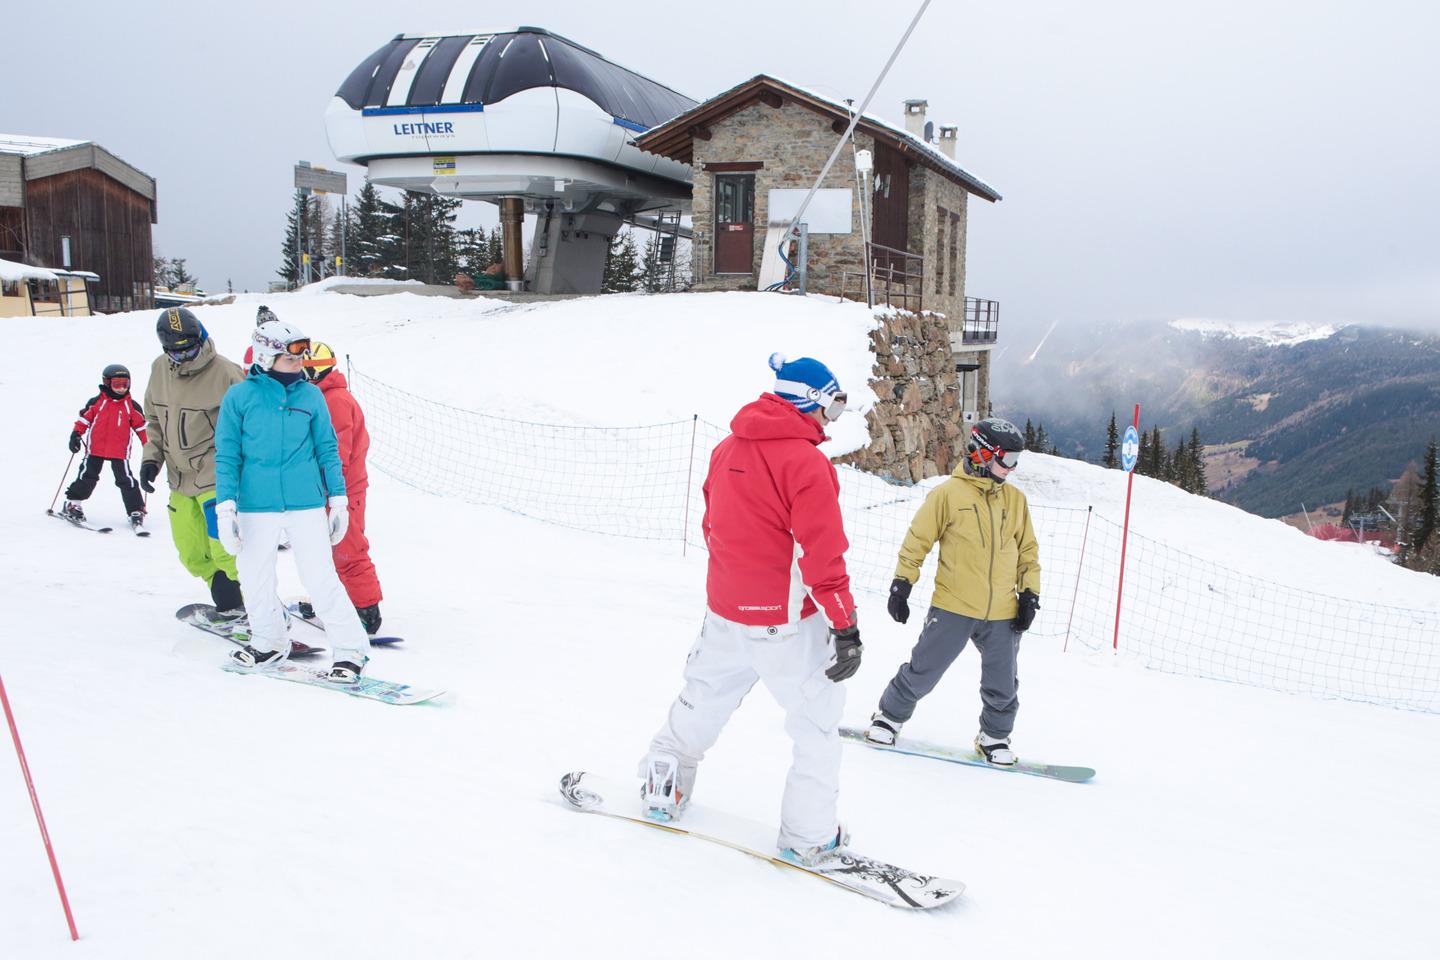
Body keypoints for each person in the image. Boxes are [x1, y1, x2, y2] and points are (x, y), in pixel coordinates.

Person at [639, 353, 862, 866]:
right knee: (816, 726)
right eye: (833, 409)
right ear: (810, 401)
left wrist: (734, 585)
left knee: (702, 699)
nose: (831, 422)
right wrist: (844, 625)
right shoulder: (807, 464)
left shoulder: (727, 447)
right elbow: (822, 554)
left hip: (724, 612)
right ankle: (809, 836)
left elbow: (711, 525)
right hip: (782, 623)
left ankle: (664, 783)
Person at [865, 417, 1041, 766]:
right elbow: (918, 539)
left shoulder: (1016, 501)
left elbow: (1028, 552)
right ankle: (888, 716)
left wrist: (1029, 595)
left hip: (1002, 611)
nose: (1012, 469)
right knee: (924, 669)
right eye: (1007, 460)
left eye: (1016, 461)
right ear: (981, 454)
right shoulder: (947, 495)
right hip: (954, 606)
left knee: (1003, 683)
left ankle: (994, 737)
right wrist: (902, 584)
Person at [214, 319, 370, 683]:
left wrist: (339, 501)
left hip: (306, 504)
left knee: (320, 579)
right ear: (267, 356)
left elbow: (328, 449)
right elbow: (227, 455)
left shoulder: (311, 395)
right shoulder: (240, 398)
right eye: (290, 358)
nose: (300, 364)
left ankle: (350, 651)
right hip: (256, 503)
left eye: (301, 357)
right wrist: (226, 507)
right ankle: (268, 640)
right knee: (254, 578)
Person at [141, 308, 247, 621]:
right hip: (179, 478)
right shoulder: (160, 368)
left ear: (201, 336)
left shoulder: (226, 373)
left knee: (227, 549)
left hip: (217, 475)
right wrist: (151, 458)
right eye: (177, 352)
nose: (185, 357)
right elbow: (154, 421)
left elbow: (250, 427)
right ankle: (229, 603)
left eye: (190, 349)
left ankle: (259, 607)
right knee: (191, 552)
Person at [304, 341, 384, 635]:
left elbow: (338, 454)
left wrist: (330, 490)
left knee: (347, 549)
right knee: (323, 550)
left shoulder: (334, 400)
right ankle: (333, 601)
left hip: (341, 492)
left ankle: (366, 609)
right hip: (327, 491)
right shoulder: (322, 398)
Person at [62, 363, 148, 530]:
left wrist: (148, 445)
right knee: (87, 477)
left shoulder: (131, 406)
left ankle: (136, 510)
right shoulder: (96, 403)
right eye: (117, 384)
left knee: (126, 481)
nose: (122, 389)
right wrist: (76, 435)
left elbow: (141, 428)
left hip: (119, 452)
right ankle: (73, 503)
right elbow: (84, 420)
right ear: (107, 382)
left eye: (125, 384)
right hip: (95, 450)